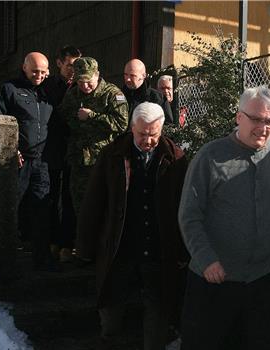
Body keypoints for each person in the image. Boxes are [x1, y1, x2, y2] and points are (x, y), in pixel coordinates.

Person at [176, 86, 270, 350]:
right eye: (256, 119)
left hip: (260, 278)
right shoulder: (211, 156)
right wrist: (207, 259)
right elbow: (189, 216)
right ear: (239, 117)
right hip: (214, 280)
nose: (263, 127)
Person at [76, 102, 188, 350]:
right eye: (142, 134)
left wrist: (184, 249)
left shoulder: (175, 158)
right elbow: (94, 202)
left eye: (153, 134)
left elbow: (185, 207)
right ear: (131, 128)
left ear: (162, 129)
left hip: (159, 247)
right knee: (112, 298)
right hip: (121, 244)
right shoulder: (112, 155)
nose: (148, 141)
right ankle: (108, 336)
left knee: (158, 306)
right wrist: (85, 246)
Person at [0, 52, 61, 272]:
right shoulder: (9, 89)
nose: (38, 75)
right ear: (25, 68)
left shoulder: (49, 91)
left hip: (42, 161)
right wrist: (11, 150)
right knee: (11, 207)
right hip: (17, 161)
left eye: (43, 71)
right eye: (34, 71)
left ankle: (42, 258)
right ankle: (4, 259)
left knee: (42, 208)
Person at [59, 57, 128, 217]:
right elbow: (64, 115)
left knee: (102, 206)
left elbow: (121, 124)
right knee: (80, 207)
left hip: (102, 160)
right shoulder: (73, 93)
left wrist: (93, 117)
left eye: (88, 80)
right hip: (79, 161)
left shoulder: (112, 94)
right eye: (80, 81)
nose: (84, 85)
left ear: (97, 75)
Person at [43, 45, 82, 263]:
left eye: (77, 65)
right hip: (52, 149)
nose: (73, 70)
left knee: (70, 198)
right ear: (59, 63)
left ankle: (68, 243)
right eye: (69, 65)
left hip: (75, 150)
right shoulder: (48, 86)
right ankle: (51, 241)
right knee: (50, 197)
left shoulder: (82, 86)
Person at [122, 59, 173, 126]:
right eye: (126, 75)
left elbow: (168, 125)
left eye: (132, 76)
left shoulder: (157, 98)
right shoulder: (119, 96)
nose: (128, 79)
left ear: (143, 76)